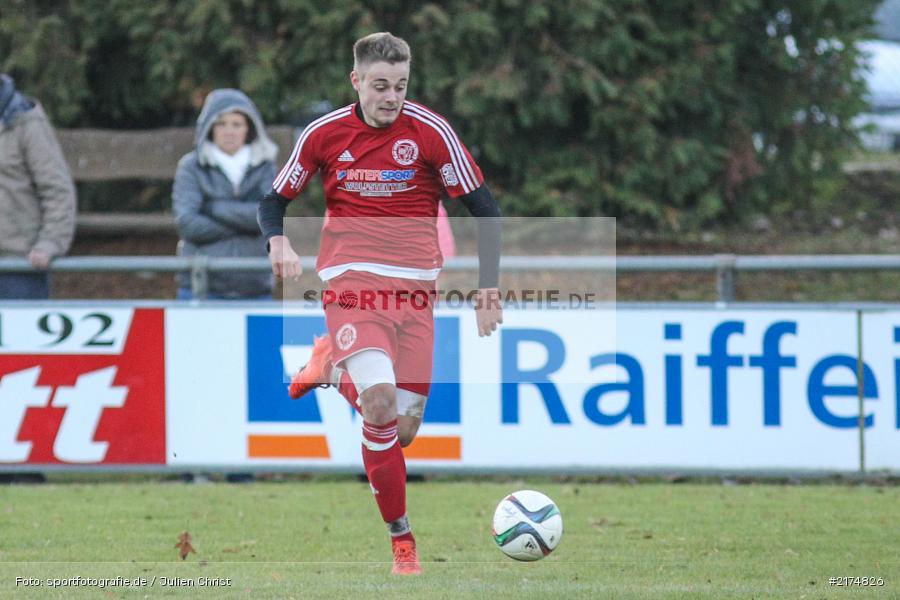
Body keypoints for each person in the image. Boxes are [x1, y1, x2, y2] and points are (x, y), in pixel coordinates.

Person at [258, 32, 503, 575]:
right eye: (379, 86)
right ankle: (403, 541)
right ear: (356, 82)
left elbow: (485, 210)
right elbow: (274, 200)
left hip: (416, 295)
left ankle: (327, 366)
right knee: (380, 406)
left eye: (400, 86)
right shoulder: (323, 134)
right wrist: (276, 240)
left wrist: (489, 285)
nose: (391, 97)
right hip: (352, 287)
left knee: (405, 429)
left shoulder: (432, 131)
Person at [173, 88, 278, 300]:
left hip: (255, 286)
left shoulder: (265, 166)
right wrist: (243, 224)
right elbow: (187, 224)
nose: (229, 131)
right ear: (210, 127)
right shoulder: (191, 166)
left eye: (236, 124)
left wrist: (213, 208)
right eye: (221, 123)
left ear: (248, 128)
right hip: (201, 286)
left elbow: (268, 218)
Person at [0, 74, 76, 300]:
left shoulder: (28, 124)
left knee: (18, 336)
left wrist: (49, 243)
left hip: (19, 264)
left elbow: (57, 189)